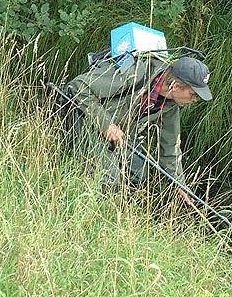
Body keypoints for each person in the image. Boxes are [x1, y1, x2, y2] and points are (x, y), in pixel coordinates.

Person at [66, 54, 212, 202]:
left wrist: (179, 183)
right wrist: (106, 125)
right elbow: (78, 86)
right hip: (86, 120)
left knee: (139, 177)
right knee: (109, 178)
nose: (195, 100)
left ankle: (124, 206)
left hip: (122, 133)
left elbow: (170, 146)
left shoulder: (170, 105)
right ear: (175, 85)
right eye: (193, 94)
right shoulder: (135, 74)